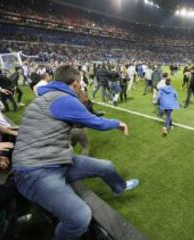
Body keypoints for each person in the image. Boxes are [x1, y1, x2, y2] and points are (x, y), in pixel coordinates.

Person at [12, 65, 139, 240]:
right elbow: (96, 122)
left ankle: (119, 188)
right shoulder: (63, 99)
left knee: (106, 166)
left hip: (55, 160)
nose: (81, 86)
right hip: (35, 171)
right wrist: (118, 123)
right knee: (79, 217)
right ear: (76, 83)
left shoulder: (44, 98)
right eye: (80, 83)